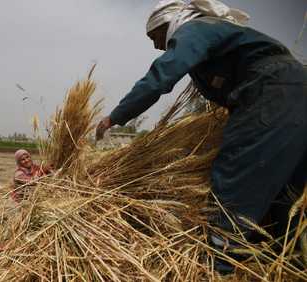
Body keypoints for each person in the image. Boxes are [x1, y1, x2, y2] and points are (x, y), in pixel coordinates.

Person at [95, 0, 307, 273]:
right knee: (285, 192)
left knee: (234, 181)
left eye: (155, 36)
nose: (156, 45)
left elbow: (160, 77)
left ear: (170, 21)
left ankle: (216, 268)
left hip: (271, 94)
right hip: (296, 92)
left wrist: (115, 117)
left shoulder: (195, 29)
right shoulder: (218, 32)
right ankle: (285, 266)